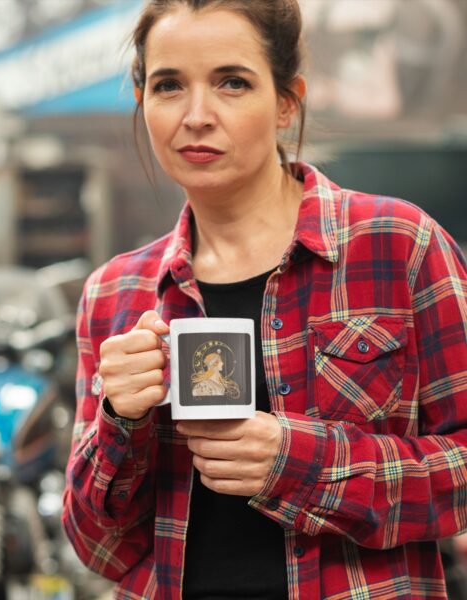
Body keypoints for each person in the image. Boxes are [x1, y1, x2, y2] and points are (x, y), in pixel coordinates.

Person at [62, 0, 467, 598]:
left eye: (232, 82)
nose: (196, 116)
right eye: (169, 85)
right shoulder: (116, 292)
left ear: (286, 101)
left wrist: (297, 463)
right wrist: (119, 420)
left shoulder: (398, 245)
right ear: (142, 100)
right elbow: (98, 545)